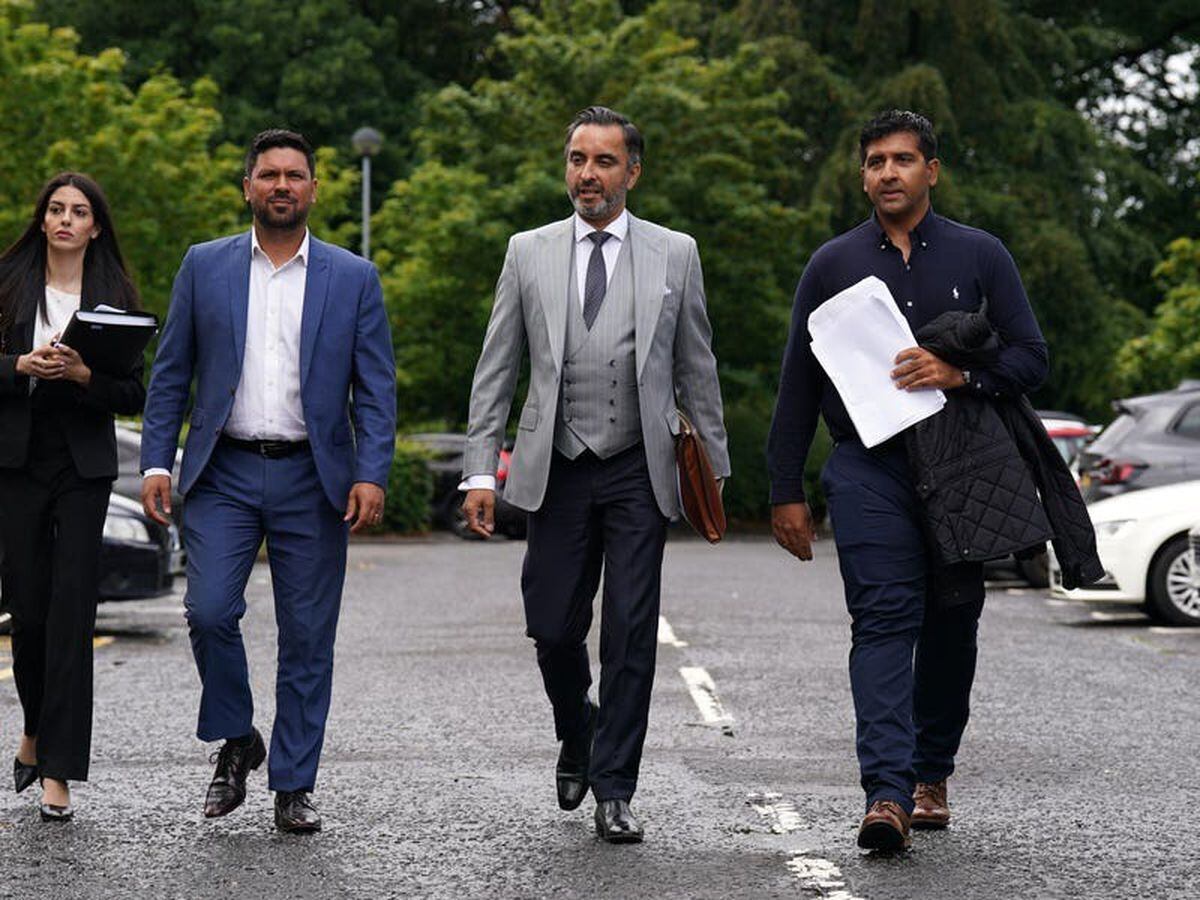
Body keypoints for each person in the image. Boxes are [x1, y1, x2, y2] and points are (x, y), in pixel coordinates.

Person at [766, 110, 1050, 851]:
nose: (885, 172)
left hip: (962, 465)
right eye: (873, 162)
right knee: (885, 619)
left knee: (953, 624)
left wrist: (961, 373)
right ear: (862, 174)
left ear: (932, 169)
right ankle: (886, 794)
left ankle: (931, 772)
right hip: (868, 468)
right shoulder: (831, 265)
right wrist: (785, 489)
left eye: (900, 160)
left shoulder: (981, 255)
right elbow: (798, 382)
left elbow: (1032, 357)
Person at [460, 106, 729, 844]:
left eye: (604, 162)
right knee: (550, 626)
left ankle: (615, 788)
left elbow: (696, 367)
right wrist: (478, 471)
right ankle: (576, 728)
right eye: (578, 159)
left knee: (631, 632)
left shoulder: (675, 253)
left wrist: (715, 474)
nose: (588, 174)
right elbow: (497, 369)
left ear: (632, 172)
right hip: (557, 465)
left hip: (641, 466)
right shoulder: (528, 251)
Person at [139, 129, 396, 833]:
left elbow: (375, 389)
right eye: (269, 175)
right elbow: (171, 377)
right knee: (210, 612)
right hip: (221, 473)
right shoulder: (204, 266)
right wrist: (158, 461)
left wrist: (372, 471)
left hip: (314, 479)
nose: (282, 186)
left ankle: (293, 783)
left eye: (295, 175)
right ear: (247, 187)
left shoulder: (353, 277)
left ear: (314, 189)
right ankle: (237, 736)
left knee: (308, 636)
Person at [0, 172, 146, 821]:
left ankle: (58, 770)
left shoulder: (115, 293)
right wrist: (17, 367)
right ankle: (34, 730)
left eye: (78, 211)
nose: (65, 219)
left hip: (83, 465)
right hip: (17, 460)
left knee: (70, 619)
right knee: (28, 613)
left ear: (94, 225)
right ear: (41, 220)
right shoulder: (8, 284)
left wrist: (85, 372)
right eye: (55, 209)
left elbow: (132, 393)